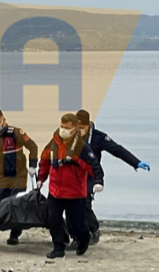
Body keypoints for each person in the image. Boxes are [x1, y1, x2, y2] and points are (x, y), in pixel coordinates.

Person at [74, 109, 151, 246]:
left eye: (82, 128)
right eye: (77, 127)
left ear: (88, 126)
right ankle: (77, 237)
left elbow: (117, 150)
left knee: (84, 203)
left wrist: (136, 162)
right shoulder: (70, 136)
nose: (79, 131)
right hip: (73, 175)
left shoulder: (99, 138)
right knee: (71, 206)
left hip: (91, 176)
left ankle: (93, 229)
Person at [36, 113, 104, 259]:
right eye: (61, 126)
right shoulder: (53, 144)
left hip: (75, 193)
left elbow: (94, 166)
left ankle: (84, 239)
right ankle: (58, 248)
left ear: (74, 129)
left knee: (77, 223)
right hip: (55, 191)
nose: (63, 130)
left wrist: (98, 181)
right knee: (53, 219)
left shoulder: (81, 148)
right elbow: (45, 161)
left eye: (66, 128)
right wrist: (41, 178)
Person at [0, 109, 40, 245]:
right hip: (1, 177)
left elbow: (33, 146)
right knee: (1, 205)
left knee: (17, 205)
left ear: (3, 119)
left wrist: (33, 165)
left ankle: (14, 234)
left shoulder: (16, 133)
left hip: (18, 175)